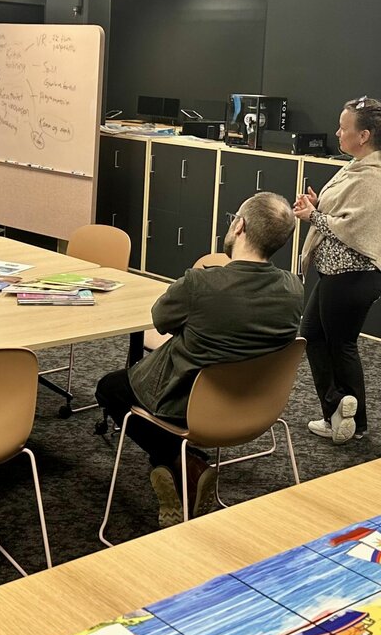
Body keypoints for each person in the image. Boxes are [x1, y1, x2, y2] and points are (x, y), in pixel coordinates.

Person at [95, 192, 304, 527]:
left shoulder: (200, 284)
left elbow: (160, 319)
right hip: (255, 405)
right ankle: (183, 464)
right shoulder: (293, 289)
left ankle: (184, 463)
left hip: (187, 402)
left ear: (239, 226)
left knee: (109, 388)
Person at [295, 96, 381, 444]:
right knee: (312, 336)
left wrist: (312, 216)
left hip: (352, 277)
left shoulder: (373, 177)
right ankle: (337, 408)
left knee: (341, 345)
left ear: (364, 135)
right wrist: (318, 206)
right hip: (336, 275)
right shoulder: (356, 167)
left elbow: (352, 227)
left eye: (344, 128)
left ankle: (354, 423)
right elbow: (344, 212)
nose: (337, 133)